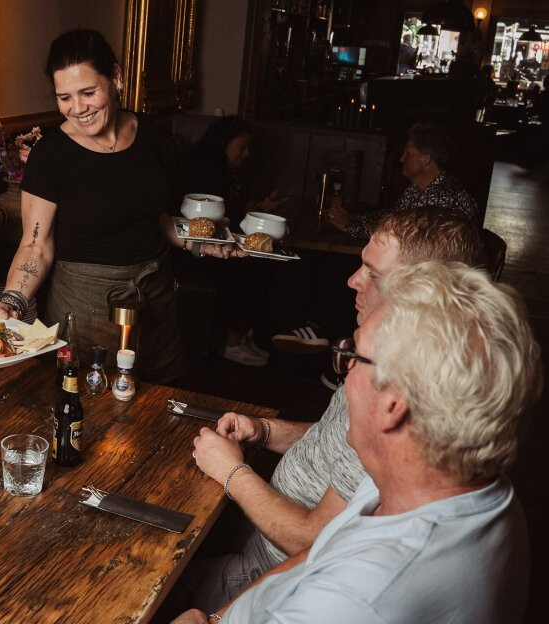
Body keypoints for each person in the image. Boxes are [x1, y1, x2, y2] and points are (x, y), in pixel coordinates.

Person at [154, 208, 484, 617]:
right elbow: (337, 436)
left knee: (149, 579)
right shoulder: (388, 356)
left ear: (421, 293)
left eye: (373, 274)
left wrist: (231, 473)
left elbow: (311, 543)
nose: (353, 280)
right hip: (261, 527)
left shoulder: (394, 400)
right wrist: (264, 430)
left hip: (271, 559)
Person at [0, 28, 235, 383]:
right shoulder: (52, 155)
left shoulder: (147, 132)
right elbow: (35, 245)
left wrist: (202, 243)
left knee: (164, 401)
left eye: (88, 92)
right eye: (65, 97)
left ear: (116, 77)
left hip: (157, 302)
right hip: (86, 309)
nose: (78, 109)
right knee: (92, 404)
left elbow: (155, 218)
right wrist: (13, 300)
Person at [185, 116, 287, 366]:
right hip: (193, 248)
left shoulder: (228, 172)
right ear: (223, 144)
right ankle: (231, 342)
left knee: (261, 261)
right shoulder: (206, 168)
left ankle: (241, 335)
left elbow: (233, 210)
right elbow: (217, 217)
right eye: (242, 147)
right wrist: (255, 211)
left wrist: (258, 208)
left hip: (214, 240)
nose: (247, 153)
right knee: (243, 267)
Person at [326, 122, 478, 238]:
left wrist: (349, 225)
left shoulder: (443, 198)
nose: (401, 159)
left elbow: (399, 236)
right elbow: (392, 217)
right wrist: (353, 218)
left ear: (426, 159)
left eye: (408, 154)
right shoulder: (419, 187)